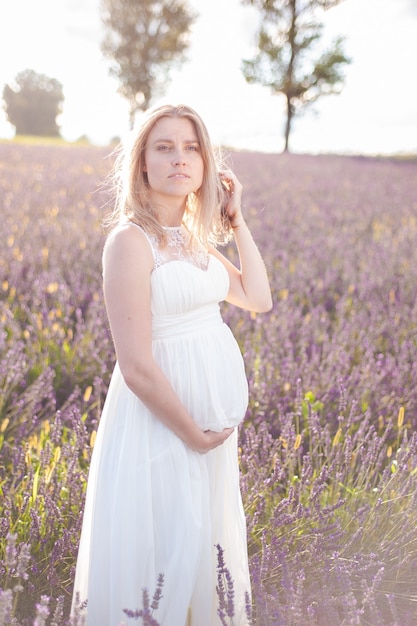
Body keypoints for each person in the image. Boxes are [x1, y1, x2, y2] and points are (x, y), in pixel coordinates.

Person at [71, 103, 272, 626]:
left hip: (208, 435)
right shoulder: (129, 242)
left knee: (205, 559)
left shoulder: (197, 241)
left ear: (207, 164)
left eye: (191, 147)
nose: (179, 158)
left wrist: (236, 219)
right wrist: (192, 433)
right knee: (162, 562)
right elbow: (136, 366)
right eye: (164, 147)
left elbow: (258, 297)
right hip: (162, 426)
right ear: (142, 164)